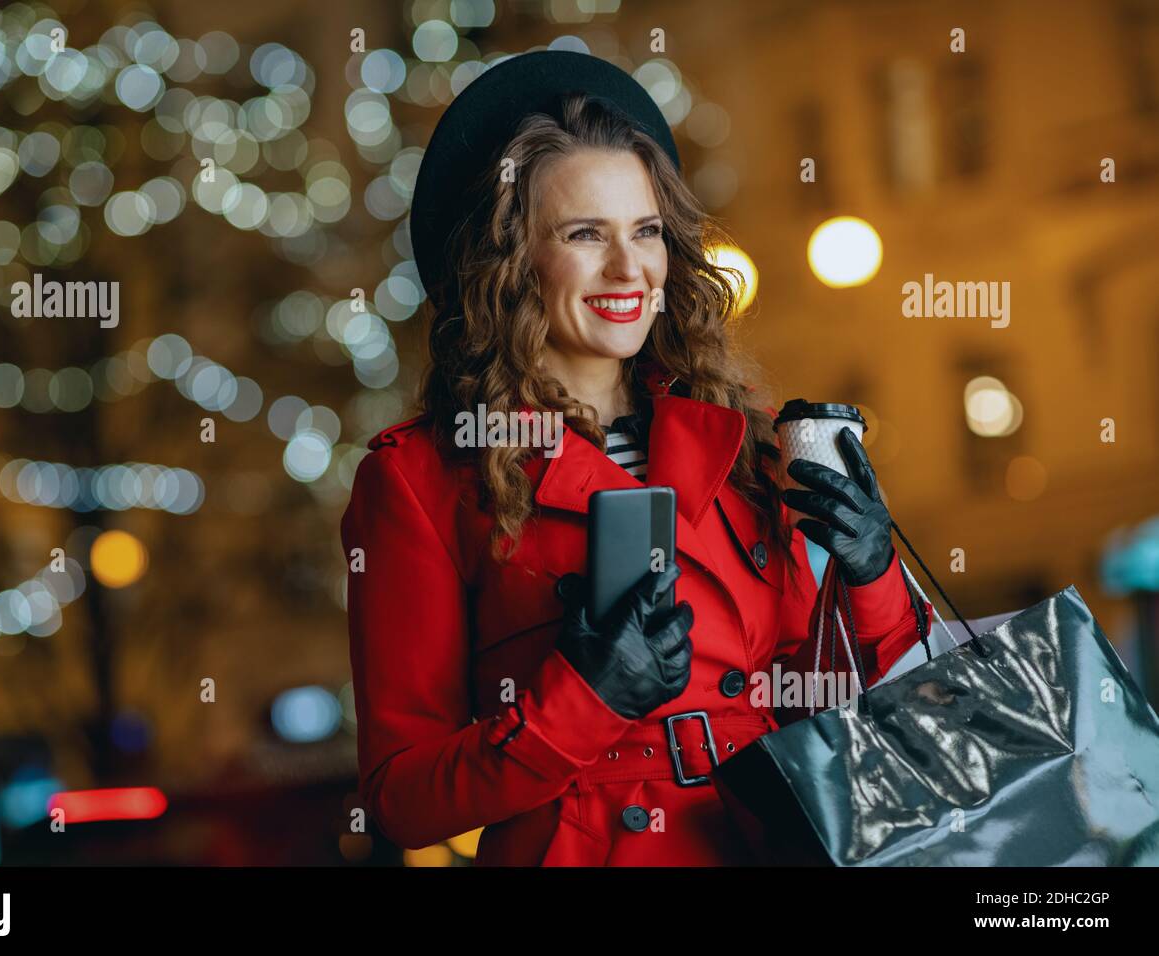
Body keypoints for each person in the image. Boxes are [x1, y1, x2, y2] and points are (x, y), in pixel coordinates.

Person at [340, 50, 931, 865]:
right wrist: (581, 702)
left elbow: (850, 705)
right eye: (586, 234)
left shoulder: (742, 433)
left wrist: (872, 579)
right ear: (508, 259)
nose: (629, 269)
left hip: (780, 837)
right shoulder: (418, 479)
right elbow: (401, 800)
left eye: (645, 231)